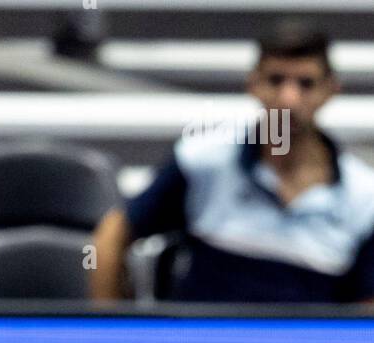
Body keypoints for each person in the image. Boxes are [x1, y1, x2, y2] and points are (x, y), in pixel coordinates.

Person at [91, 25, 374, 305]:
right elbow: (111, 235)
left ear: (331, 90)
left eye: (306, 83)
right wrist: (112, 329)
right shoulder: (202, 160)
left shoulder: (364, 197)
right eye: (276, 80)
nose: (289, 100)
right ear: (254, 84)